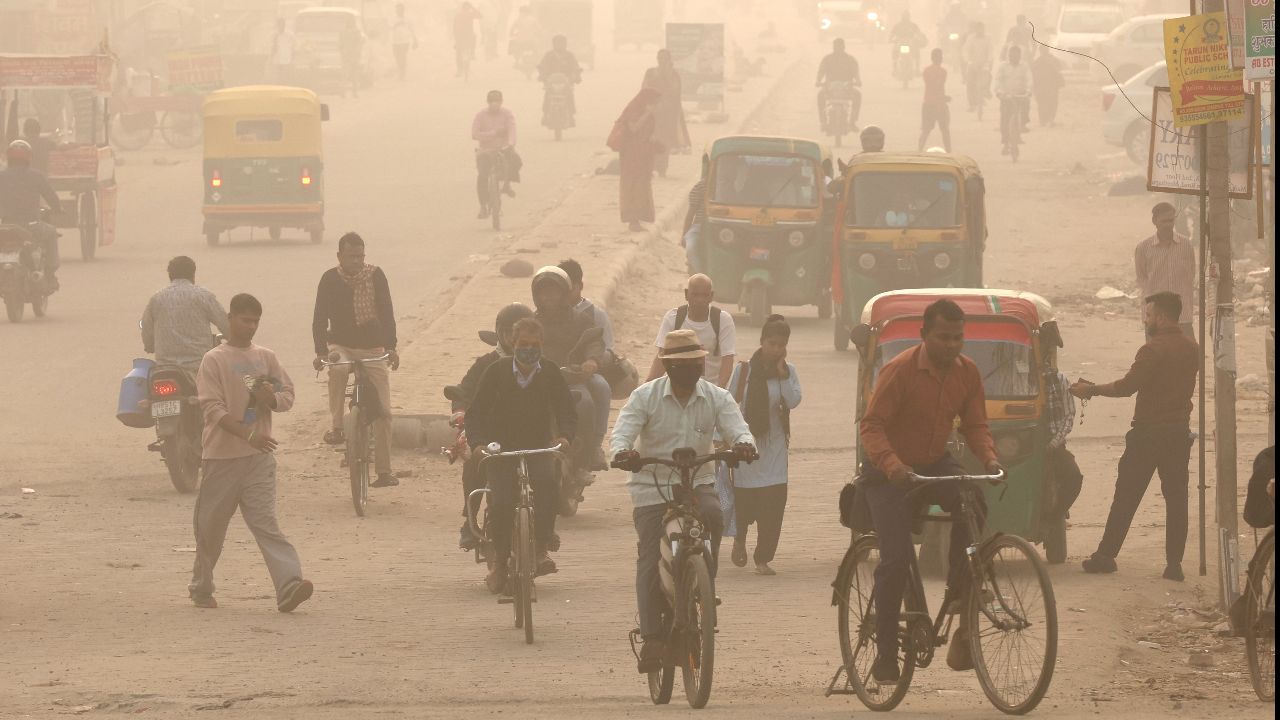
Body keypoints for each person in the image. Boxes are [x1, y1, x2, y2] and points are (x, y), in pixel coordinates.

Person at [858, 299, 1003, 683]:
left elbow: (975, 426)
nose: (952, 345)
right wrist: (893, 466)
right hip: (886, 473)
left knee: (972, 499)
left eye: (958, 337)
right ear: (924, 336)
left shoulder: (967, 373)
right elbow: (871, 426)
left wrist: (988, 459)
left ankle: (959, 588)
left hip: (933, 463)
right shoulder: (900, 370)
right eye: (943, 337)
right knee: (897, 558)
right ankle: (886, 655)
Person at [611, 328, 757, 673]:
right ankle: (652, 638)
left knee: (714, 515)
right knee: (649, 556)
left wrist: (744, 443)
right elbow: (622, 432)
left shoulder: (717, 397)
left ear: (703, 362)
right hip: (652, 487)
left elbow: (737, 427)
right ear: (668, 367)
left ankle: (703, 584)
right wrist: (623, 452)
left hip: (698, 482)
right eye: (683, 365)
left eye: (696, 363)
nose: (691, 371)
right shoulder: (644, 397)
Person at [191, 293, 312, 612]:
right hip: (221, 459)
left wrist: (269, 400)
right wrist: (248, 434)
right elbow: (213, 409)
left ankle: (289, 584)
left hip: (258, 461)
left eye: (256, 321)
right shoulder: (214, 360)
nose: (251, 327)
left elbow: (287, 395)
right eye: (245, 320)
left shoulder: (265, 358)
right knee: (210, 528)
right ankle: (201, 585)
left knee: (265, 523)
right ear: (230, 319)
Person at [1071, 292, 1199, 582]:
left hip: (1148, 434)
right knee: (1177, 499)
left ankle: (1106, 556)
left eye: (1149, 314)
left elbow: (1128, 387)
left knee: (1126, 496)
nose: (1146, 319)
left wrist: (1091, 390)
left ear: (1162, 316)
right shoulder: (1192, 348)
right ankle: (1174, 565)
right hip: (1178, 433)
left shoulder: (1152, 349)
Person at [466, 317, 577, 589]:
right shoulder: (496, 371)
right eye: (523, 344)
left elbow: (566, 410)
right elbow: (476, 413)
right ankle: (500, 564)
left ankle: (540, 547)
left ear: (542, 345)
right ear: (512, 344)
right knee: (501, 502)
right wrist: (478, 444)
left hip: (538, 447)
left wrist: (564, 437)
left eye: (535, 345)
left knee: (548, 485)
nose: (529, 350)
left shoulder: (550, 372)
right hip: (500, 450)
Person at [311, 232, 401, 489]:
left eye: (360, 256)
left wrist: (392, 347)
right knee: (337, 369)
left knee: (384, 412)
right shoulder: (329, 279)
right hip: (341, 344)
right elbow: (319, 318)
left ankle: (384, 471)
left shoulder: (376, 275)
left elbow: (387, 311)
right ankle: (338, 426)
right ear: (339, 256)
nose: (357, 261)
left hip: (374, 347)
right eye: (351, 257)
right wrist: (320, 352)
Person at [720, 315, 801, 576]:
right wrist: (722, 438)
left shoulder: (788, 372)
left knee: (773, 505)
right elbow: (728, 404)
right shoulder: (744, 371)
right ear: (762, 342)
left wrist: (783, 375)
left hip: (775, 450)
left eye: (781, 345)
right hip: (747, 449)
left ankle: (763, 558)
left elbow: (793, 401)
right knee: (745, 504)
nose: (775, 349)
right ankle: (740, 539)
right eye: (771, 343)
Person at [455, 302, 535, 550]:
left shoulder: (542, 363)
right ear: (499, 333)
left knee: (549, 473)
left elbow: (558, 395)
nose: (515, 339)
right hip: (491, 434)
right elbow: (464, 391)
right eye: (510, 332)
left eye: (522, 332)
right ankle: (470, 521)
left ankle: (544, 531)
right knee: (474, 462)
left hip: (531, 432)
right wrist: (459, 411)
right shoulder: (486, 364)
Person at [531, 265, 611, 471]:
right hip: (540, 380)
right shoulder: (531, 322)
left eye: (554, 291)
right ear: (536, 294)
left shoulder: (581, 319)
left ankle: (586, 457)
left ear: (564, 293)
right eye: (543, 291)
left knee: (585, 405)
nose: (548, 296)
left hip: (572, 379)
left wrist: (591, 360)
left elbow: (594, 341)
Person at [141, 256, 230, 377]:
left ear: (170, 275)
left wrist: (149, 346)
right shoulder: (203, 296)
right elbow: (225, 324)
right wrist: (233, 339)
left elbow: (146, 327)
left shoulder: (156, 299)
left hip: (165, 369)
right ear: (193, 274)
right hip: (200, 367)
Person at [645, 274, 737, 388]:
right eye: (695, 295)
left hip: (709, 387)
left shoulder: (722, 320)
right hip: (677, 387)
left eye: (704, 295)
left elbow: (727, 361)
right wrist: (647, 387)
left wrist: (718, 394)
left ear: (711, 296)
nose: (699, 300)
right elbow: (662, 357)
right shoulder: (673, 318)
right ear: (686, 294)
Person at [0, 139, 61, 287]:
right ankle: (50, 274)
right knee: (52, 233)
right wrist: (58, 208)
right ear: (28, 157)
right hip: (31, 226)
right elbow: (51, 197)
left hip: (5, 227)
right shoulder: (37, 176)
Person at [1135, 202, 1196, 339]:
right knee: (1155, 357)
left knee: (1187, 357)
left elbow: (1191, 274)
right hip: (1155, 317)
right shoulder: (1143, 248)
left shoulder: (1186, 245)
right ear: (1154, 221)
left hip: (1182, 315)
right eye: (1164, 221)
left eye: (1171, 220)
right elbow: (1142, 278)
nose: (1168, 224)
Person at [609, 87, 662, 232]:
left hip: (643, 155)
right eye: (654, 102)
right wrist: (647, 113)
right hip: (632, 155)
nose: (655, 105)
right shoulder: (634, 109)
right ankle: (632, 220)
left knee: (642, 185)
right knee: (632, 185)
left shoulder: (646, 110)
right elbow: (633, 128)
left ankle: (639, 217)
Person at [471, 90, 521, 219]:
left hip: (503, 149)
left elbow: (512, 130)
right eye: (491, 102)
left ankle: (507, 184)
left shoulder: (507, 114)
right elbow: (475, 134)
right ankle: (483, 206)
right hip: (485, 151)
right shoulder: (480, 115)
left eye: (497, 102)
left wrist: (511, 144)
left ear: (501, 102)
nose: (494, 105)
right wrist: (493, 133)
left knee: (516, 161)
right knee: (482, 176)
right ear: (488, 103)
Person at [642, 49, 691, 177]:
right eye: (660, 58)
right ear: (657, 59)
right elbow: (644, 90)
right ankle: (650, 166)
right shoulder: (651, 73)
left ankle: (662, 168)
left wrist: (667, 75)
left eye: (665, 58)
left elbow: (675, 94)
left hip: (668, 114)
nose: (662, 61)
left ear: (669, 60)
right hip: (652, 113)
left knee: (665, 141)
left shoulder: (674, 75)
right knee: (651, 139)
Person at [815, 38, 863, 133]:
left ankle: (852, 122)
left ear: (844, 47)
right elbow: (820, 72)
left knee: (858, 95)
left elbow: (856, 74)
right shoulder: (827, 59)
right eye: (836, 47)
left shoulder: (850, 60)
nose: (838, 49)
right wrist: (818, 81)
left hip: (847, 89)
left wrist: (858, 81)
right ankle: (823, 121)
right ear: (833, 47)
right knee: (820, 96)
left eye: (840, 47)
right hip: (830, 88)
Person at [993, 45, 1032, 154]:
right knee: (1004, 120)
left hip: (1021, 96)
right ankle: (1005, 143)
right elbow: (997, 80)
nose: (1014, 57)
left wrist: (1029, 91)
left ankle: (1022, 127)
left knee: (1025, 112)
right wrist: (999, 92)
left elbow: (1029, 79)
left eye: (1016, 55)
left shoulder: (1024, 66)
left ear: (1019, 56)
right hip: (1006, 97)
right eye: (1011, 55)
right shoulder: (1003, 66)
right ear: (1008, 55)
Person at [537, 35, 583, 128]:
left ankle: (571, 115)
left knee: (569, 96)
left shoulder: (569, 55)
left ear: (565, 44)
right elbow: (542, 66)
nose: (560, 45)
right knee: (547, 96)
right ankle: (545, 114)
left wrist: (576, 75)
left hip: (566, 83)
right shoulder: (548, 55)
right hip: (551, 82)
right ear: (553, 44)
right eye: (558, 43)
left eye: (562, 43)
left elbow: (575, 67)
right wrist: (542, 75)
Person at [918, 48, 951, 152]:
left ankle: (919, 150)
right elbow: (939, 87)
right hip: (940, 105)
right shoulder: (943, 72)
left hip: (928, 103)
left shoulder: (926, 71)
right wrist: (944, 98)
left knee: (926, 131)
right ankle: (949, 152)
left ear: (931, 58)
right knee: (945, 130)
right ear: (941, 59)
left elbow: (930, 85)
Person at [960, 22, 993, 112]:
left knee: (989, 76)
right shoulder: (970, 38)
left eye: (981, 29)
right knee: (969, 83)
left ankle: (986, 90)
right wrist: (968, 61)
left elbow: (990, 51)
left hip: (984, 63)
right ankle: (972, 104)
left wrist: (988, 61)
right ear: (975, 30)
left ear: (984, 29)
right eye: (978, 29)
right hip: (972, 63)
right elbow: (965, 50)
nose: (980, 31)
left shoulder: (988, 38)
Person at [1030, 46, 1064, 127]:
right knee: (1044, 103)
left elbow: (1059, 69)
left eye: (1045, 50)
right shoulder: (1038, 61)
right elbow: (1033, 73)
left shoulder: (1041, 61)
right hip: (1043, 86)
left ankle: (1048, 119)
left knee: (1049, 103)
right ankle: (1045, 120)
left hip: (1050, 86)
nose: (1044, 52)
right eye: (1043, 50)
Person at [681, 176, 707, 273]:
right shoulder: (701, 186)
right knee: (691, 248)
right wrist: (684, 234)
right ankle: (700, 274)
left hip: (725, 228)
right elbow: (691, 213)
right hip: (699, 226)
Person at [390, 2, 418, 81]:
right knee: (397, 57)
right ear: (395, 11)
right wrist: (396, 25)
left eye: (400, 9)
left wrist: (415, 40)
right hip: (395, 42)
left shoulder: (408, 19)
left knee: (402, 57)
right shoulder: (393, 18)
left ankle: (402, 72)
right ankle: (401, 69)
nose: (398, 11)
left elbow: (412, 30)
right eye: (397, 10)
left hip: (405, 41)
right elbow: (389, 28)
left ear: (403, 10)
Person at [453, 1, 482, 77]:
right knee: (473, 41)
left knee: (458, 53)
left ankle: (459, 70)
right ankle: (472, 53)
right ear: (468, 8)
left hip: (459, 37)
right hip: (469, 36)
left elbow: (454, 27)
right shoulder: (470, 14)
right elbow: (480, 16)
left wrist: (455, 37)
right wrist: (473, 8)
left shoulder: (458, 15)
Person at [339, 21, 364, 98]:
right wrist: (359, 53)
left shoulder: (342, 32)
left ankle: (343, 92)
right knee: (354, 75)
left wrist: (343, 53)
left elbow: (339, 45)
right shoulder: (357, 32)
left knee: (345, 75)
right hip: (354, 56)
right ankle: (355, 92)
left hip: (346, 56)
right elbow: (360, 43)